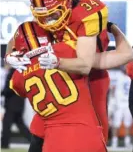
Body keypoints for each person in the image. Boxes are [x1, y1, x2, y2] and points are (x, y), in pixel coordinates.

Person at [8, 20, 133, 152]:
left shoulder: (17, 76)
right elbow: (125, 54)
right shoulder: (68, 51)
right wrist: (113, 27)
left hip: (48, 136)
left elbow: (18, 84)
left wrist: (8, 56)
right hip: (87, 131)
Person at [1, 68, 31, 149]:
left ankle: (4, 144)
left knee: (6, 125)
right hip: (19, 103)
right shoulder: (23, 70)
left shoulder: (13, 71)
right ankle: (33, 141)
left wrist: (3, 92)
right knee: (20, 125)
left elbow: (10, 86)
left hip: (12, 103)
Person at [110, 66, 133, 148]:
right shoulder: (118, 75)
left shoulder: (125, 76)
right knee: (116, 123)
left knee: (127, 123)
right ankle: (114, 141)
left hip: (125, 103)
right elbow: (112, 88)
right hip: (119, 104)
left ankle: (126, 141)